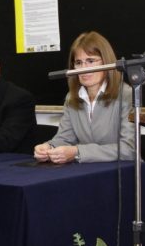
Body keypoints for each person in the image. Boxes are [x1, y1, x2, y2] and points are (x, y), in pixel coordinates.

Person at [34, 31, 135, 164]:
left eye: (90, 61)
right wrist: (48, 147)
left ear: (107, 61)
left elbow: (129, 149)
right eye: (79, 62)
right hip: (88, 172)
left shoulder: (126, 94)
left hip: (123, 174)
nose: (84, 68)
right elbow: (65, 138)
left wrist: (78, 152)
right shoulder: (72, 97)